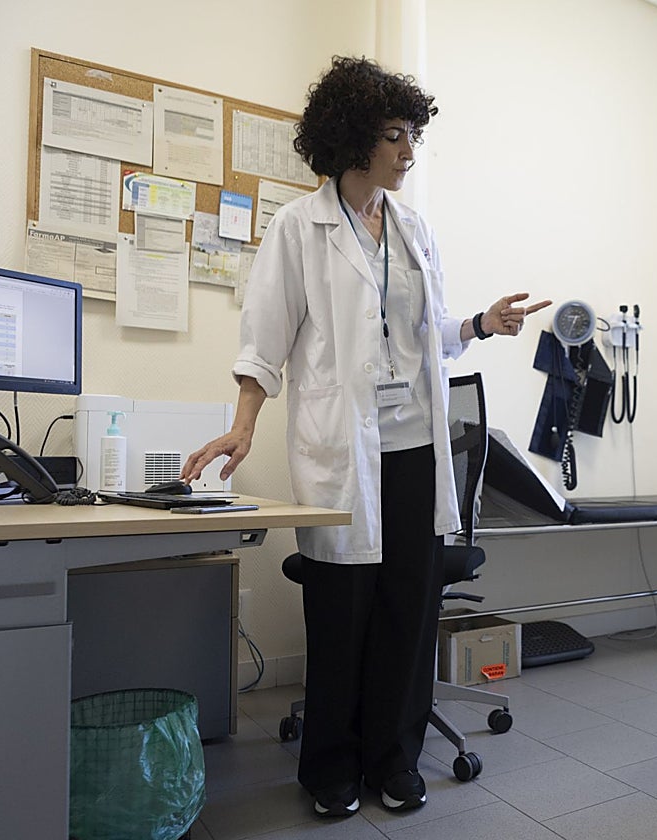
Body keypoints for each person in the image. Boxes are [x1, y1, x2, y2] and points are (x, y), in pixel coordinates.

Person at [181, 56, 549, 819]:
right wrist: (243, 426)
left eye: (413, 134)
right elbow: (265, 340)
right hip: (343, 450)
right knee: (342, 611)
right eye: (393, 135)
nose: (409, 151)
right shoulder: (299, 226)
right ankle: (330, 768)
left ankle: (395, 758)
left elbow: (427, 333)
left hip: (415, 447)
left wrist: (480, 324)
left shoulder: (414, 229)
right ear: (352, 138)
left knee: (409, 610)